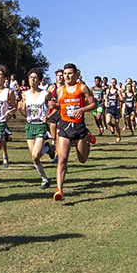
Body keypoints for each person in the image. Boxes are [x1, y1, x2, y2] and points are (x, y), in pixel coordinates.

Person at [51, 63, 96, 201]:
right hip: (64, 125)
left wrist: (82, 109)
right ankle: (59, 190)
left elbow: (94, 104)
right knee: (62, 159)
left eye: (70, 73)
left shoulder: (82, 88)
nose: (67, 76)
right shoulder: (60, 90)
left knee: (82, 159)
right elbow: (62, 106)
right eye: (65, 73)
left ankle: (87, 138)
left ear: (76, 75)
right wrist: (54, 106)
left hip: (79, 127)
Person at [18, 69, 54, 188]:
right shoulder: (25, 94)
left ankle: (47, 148)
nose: (32, 80)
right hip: (30, 126)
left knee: (35, 155)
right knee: (35, 158)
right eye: (30, 77)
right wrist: (20, 110)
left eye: (35, 78)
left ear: (39, 80)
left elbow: (56, 107)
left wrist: (48, 117)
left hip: (40, 126)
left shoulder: (45, 94)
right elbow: (25, 113)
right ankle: (45, 179)